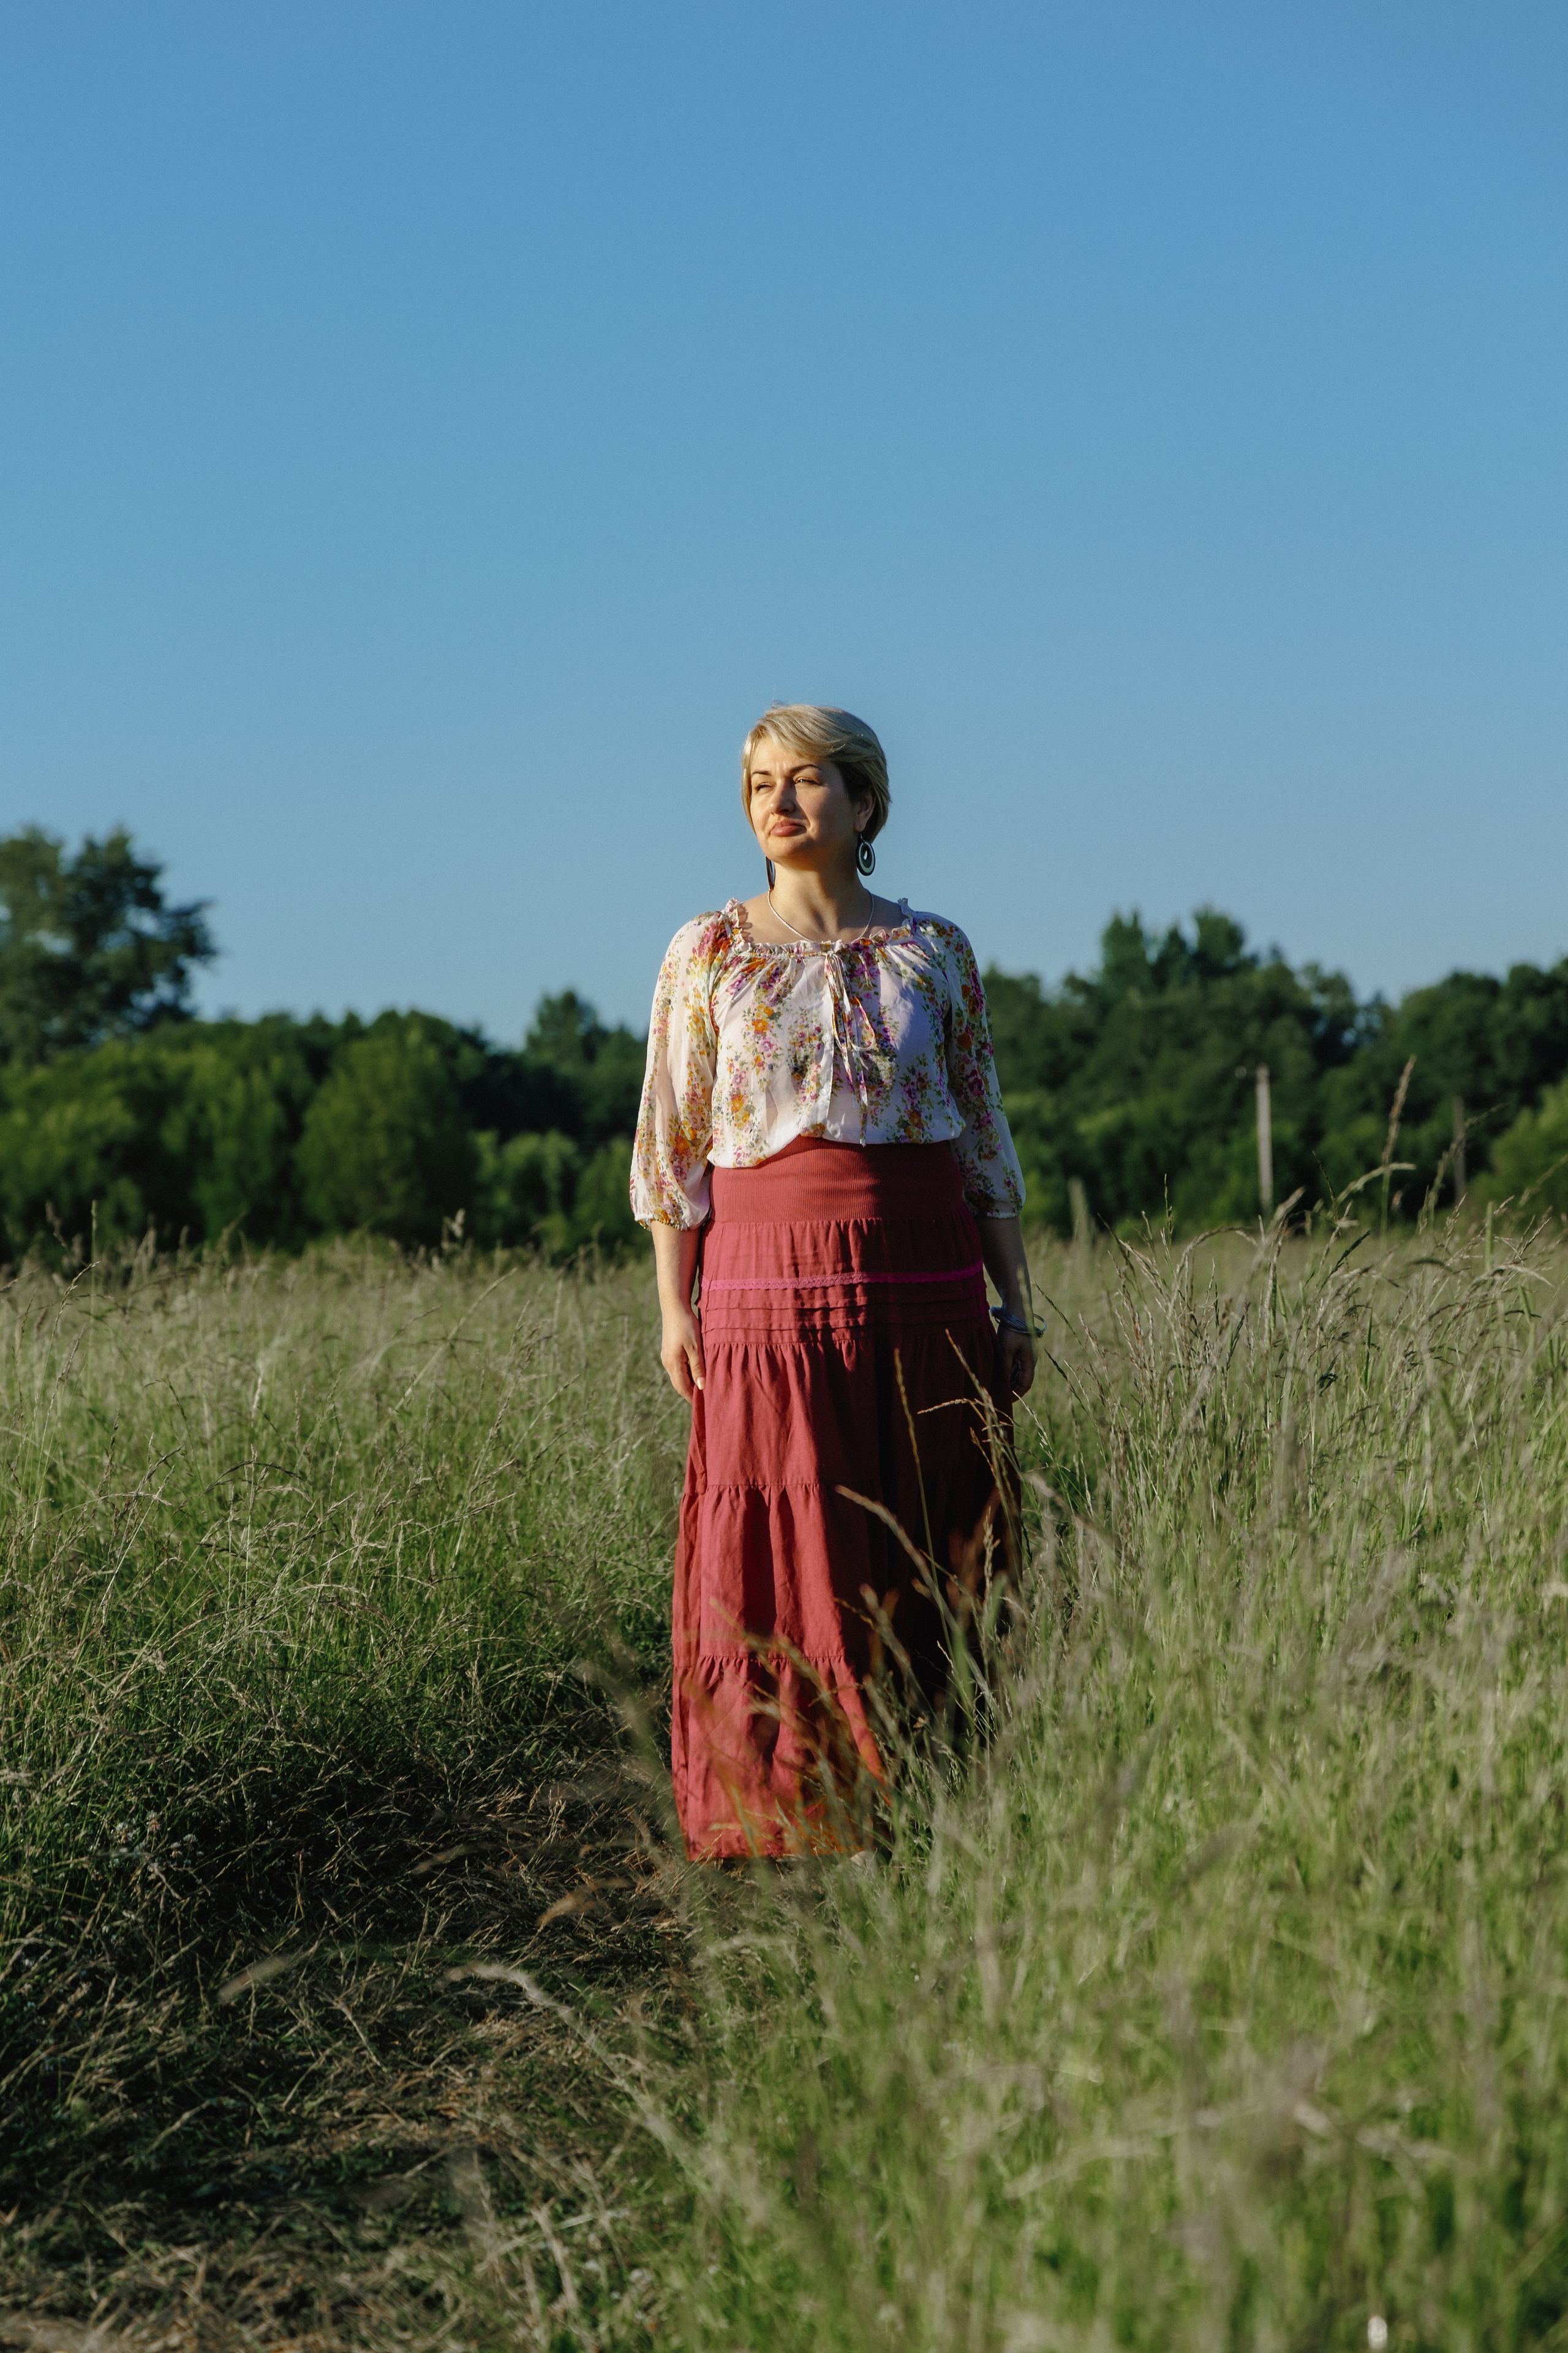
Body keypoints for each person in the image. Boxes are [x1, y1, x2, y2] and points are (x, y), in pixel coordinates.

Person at [631, 704, 1037, 1860]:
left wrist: (1017, 1300)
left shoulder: (935, 950)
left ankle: (945, 1795)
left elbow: (981, 1132)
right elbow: (672, 1141)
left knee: (930, 1532)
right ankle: (793, 1810)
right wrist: (676, 1302)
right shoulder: (705, 952)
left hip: (929, 1276)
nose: (780, 801)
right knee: (786, 1532)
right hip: (764, 1282)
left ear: (866, 804)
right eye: (762, 781)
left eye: (808, 780)